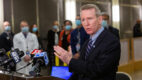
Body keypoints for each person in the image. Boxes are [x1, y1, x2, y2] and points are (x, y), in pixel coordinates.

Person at [54, 4, 120, 80]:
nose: (86, 23)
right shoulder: (88, 41)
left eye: (90, 18)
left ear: (100, 20)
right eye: (83, 20)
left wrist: (70, 61)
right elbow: (80, 71)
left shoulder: (111, 41)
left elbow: (96, 70)